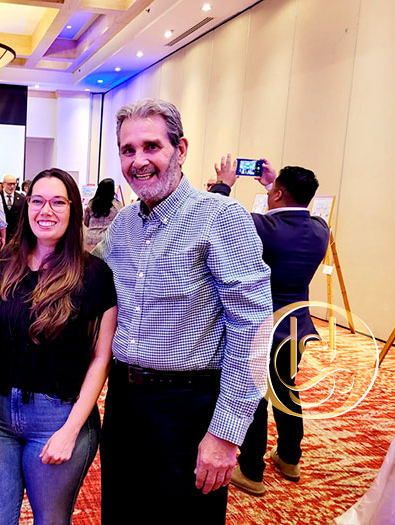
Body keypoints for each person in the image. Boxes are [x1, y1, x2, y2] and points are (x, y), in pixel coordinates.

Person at [93, 98, 273, 523]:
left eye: (151, 146)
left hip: (189, 409)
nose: (139, 161)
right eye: (128, 150)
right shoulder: (124, 224)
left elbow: (254, 329)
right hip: (124, 404)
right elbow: (86, 280)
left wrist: (226, 434)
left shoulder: (221, 217)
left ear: (181, 149)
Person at [0, 168, 117, 524]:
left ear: (73, 208)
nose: (45, 210)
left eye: (57, 202)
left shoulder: (94, 274)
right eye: (37, 201)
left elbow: (101, 358)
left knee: (50, 520)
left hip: (59, 416)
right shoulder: (4, 264)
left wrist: (70, 430)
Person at [210, 154, 330, 496]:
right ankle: (290, 458)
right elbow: (291, 210)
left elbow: (215, 217)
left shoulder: (263, 227)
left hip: (260, 327)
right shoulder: (320, 229)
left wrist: (224, 184)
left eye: (274, 189)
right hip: (297, 326)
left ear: (278, 194)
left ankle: (251, 470)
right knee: (286, 390)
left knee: (256, 398)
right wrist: (270, 185)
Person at [83, 178, 123, 251]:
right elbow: (120, 225)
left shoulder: (91, 204)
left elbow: (86, 222)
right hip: (107, 241)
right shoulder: (117, 206)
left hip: (90, 239)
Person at [1, 174, 25, 243]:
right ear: (3, 184)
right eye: (9, 184)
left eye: (14, 184)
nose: (11, 186)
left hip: (15, 236)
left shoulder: (21, 199)